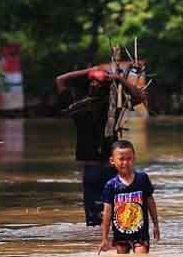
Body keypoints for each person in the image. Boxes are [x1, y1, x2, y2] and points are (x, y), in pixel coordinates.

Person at [56, 65, 147, 226]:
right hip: (97, 168)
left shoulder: (107, 108)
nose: (93, 85)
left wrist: (100, 74)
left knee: (109, 218)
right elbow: (138, 97)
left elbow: (61, 80)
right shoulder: (89, 108)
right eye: (92, 82)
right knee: (104, 219)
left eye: (96, 83)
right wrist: (112, 77)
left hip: (107, 168)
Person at [98, 140, 160, 254]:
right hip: (120, 236)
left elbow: (150, 202)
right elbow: (107, 213)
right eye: (121, 159)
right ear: (112, 161)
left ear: (134, 158)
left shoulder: (142, 179)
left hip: (141, 235)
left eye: (129, 159)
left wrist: (156, 225)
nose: (125, 163)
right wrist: (104, 238)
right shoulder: (111, 185)